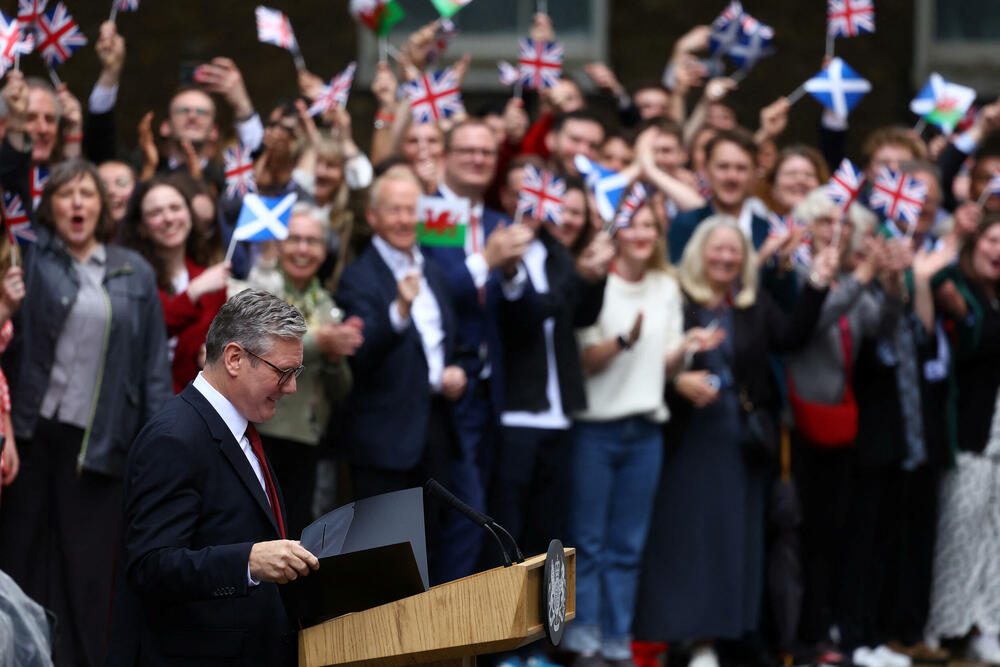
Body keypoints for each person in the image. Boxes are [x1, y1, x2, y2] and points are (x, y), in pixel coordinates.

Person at [633, 216, 836, 667]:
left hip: (737, 442)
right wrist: (678, 380)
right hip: (686, 439)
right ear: (698, 252)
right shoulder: (677, 297)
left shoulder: (750, 301)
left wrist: (818, 283)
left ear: (745, 259)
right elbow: (646, 357)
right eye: (716, 249)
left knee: (730, 543)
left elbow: (790, 337)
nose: (725, 258)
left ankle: (714, 639)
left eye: (734, 251)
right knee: (685, 540)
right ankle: (679, 637)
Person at [0, 159, 172, 667]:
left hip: (101, 446)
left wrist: (160, 446)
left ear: (103, 206)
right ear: (48, 207)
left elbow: (152, 370)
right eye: (65, 194)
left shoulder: (133, 270)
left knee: (89, 574)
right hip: (31, 438)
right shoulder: (29, 262)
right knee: (20, 558)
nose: (77, 203)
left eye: (87, 194)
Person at [118, 289, 318, 666]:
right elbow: (150, 567)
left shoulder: (243, 429)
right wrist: (249, 562)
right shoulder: (173, 438)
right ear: (235, 358)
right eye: (283, 372)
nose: (291, 387)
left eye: (297, 372)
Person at [566, 204, 723, 667]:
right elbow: (586, 362)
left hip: (646, 430)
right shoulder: (597, 282)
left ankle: (617, 643)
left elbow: (664, 366)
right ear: (616, 231)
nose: (640, 232)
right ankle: (584, 644)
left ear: (659, 234)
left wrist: (688, 347)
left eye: (650, 225)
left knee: (628, 547)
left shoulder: (666, 287)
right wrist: (623, 342)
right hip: (594, 429)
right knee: (588, 544)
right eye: (631, 223)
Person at [335, 168, 466, 581]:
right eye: (394, 210)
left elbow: (454, 343)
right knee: (383, 557)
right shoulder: (358, 275)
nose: (405, 219)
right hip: (383, 437)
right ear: (372, 217)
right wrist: (400, 310)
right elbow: (359, 354)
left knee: (433, 545)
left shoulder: (435, 271)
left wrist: (460, 371)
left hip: (435, 427)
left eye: (411, 210)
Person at [426, 119, 532, 580]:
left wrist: (509, 273)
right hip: (447, 387)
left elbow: (522, 312)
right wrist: (486, 261)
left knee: (493, 512)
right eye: (467, 150)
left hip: (495, 390)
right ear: (445, 156)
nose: (477, 159)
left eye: (486, 153)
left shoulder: (497, 221)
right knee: (465, 515)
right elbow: (434, 292)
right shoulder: (428, 216)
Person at [239, 204, 361, 536]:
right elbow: (259, 349)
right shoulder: (262, 288)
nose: (303, 249)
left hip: (308, 440)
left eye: (312, 241)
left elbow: (340, 390)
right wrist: (320, 344)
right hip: (262, 433)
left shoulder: (326, 303)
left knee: (295, 536)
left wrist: (336, 357)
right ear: (278, 244)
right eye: (294, 239)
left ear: (325, 251)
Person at [925, 214, 1000, 661]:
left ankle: (987, 624)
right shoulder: (958, 290)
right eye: (992, 239)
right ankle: (941, 622)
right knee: (958, 527)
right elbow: (976, 343)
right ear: (975, 243)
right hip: (968, 436)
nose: (998, 250)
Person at [124, 176, 230, 393]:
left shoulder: (213, 282)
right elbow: (146, 329)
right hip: (137, 401)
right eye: (155, 213)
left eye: (175, 207)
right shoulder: (130, 276)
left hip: (190, 404)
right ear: (142, 227)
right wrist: (192, 292)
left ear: (190, 216)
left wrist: (208, 355)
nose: (168, 218)